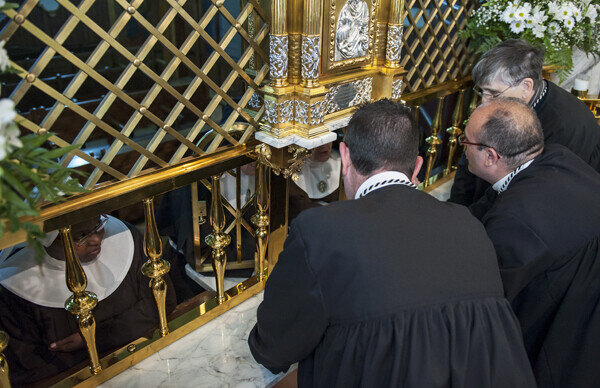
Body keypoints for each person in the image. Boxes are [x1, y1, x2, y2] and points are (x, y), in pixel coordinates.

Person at [248, 99, 535, 387]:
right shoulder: (469, 224)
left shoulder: (319, 232)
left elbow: (274, 348)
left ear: (345, 158)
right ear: (418, 166)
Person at [463, 98, 600, 387]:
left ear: (490, 156)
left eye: (466, 141)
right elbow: (487, 204)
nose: (462, 146)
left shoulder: (515, 221)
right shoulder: (556, 156)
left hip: (571, 332)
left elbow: (490, 300)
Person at [0, 214, 177, 385]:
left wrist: (92, 339)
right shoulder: (13, 286)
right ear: (52, 239)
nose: (97, 240)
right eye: (81, 236)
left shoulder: (125, 235)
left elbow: (163, 302)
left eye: (98, 226)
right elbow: (30, 368)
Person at [449, 39, 600, 207]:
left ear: (526, 86)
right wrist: (457, 209)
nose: (484, 101)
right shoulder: (498, 103)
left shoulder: (566, 125)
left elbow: (533, 192)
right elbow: (470, 154)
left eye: (493, 93)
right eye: (482, 92)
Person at [289, 142, 342, 222]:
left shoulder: (343, 164)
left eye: (328, 139)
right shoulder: (288, 177)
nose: (324, 145)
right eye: (317, 142)